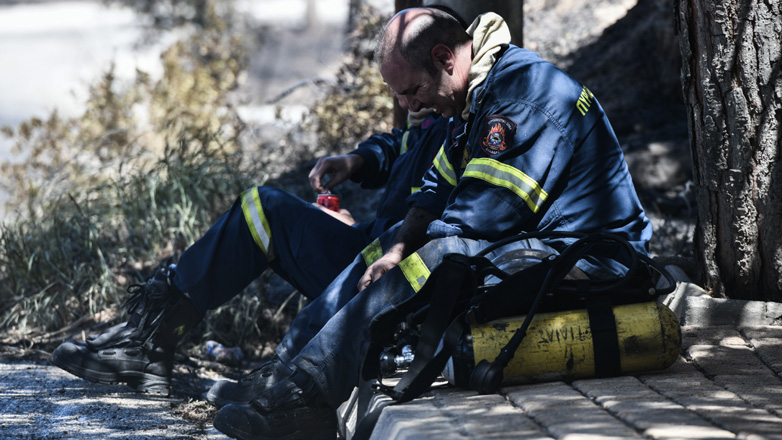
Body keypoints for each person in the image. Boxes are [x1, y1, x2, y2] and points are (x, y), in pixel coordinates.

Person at [210, 7, 653, 440]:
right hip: (541, 247)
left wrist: (411, 261)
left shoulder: (521, 101)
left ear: (445, 59)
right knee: (396, 246)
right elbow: (434, 189)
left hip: (595, 265)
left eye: (413, 90)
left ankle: (308, 400)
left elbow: (480, 218)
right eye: (399, 95)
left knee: (442, 255)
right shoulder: (477, 94)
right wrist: (397, 251)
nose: (409, 106)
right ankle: (290, 372)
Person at [51, 108, 449, 398]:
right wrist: (357, 159)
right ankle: (152, 343)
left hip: (392, 269)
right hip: (373, 242)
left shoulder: (468, 118)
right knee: (259, 210)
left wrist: (366, 237)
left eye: (409, 87)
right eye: (394, 88)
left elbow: (434, 218)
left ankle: (272, 378)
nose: (402, 97)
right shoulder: (434, 111)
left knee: (267, 208)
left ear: (443, 62)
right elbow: (404, 143)